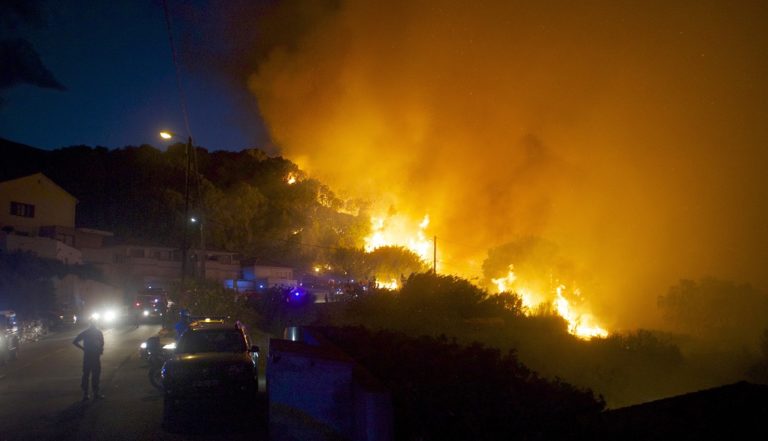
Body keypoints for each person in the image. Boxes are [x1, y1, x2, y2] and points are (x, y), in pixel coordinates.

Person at [73, 318, 104, 400]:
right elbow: (102, 343)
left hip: (87, 357)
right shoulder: (98, 332)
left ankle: (86, 394)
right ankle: (95, 393)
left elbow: (75, 341)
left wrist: (83, 349)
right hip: (95, 357)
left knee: (86, 375)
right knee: (95, 375)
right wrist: (100, 350)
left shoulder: (86, 332)